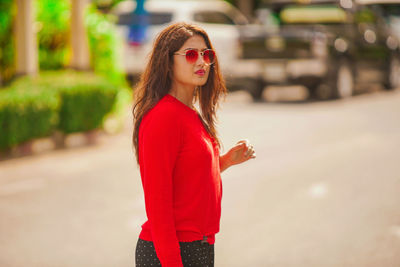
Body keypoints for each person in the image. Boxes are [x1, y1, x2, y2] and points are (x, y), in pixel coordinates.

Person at [132, 22, 256, 267]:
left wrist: (225, 162)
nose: (202, 62)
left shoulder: (189, 113)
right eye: (191, 54)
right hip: (171, 251)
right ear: (168, 62)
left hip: (198, 246)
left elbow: (187, 176)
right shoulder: (163, 117)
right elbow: (158, 202)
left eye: (206, 54)